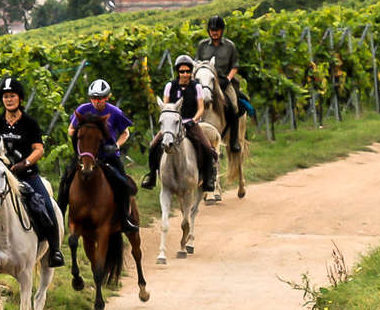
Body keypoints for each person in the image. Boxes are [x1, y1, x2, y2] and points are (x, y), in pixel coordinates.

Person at [0, 75, 65, 267]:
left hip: (26, 175)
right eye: (6, 96)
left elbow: (39, 149)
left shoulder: (29, 123)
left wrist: (24, 163)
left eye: (12, 96)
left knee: (46, 207)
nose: (9, 99)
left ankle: (55, 250)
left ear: (20, 98)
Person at [59, 79, 140, 233]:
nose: (96, 102)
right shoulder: (82, 109)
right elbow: (71, 129)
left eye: (100, 98)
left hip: (108, 155)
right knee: (65, 180)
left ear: (107, 97)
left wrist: (116, 145)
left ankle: (124, 219)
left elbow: (125, 132)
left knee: (122, 183)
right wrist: (79, 137)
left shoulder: (114, 112)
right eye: (94, 98)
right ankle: (60, 218)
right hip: (86, 155)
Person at [139, 55, 218, 194]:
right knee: (153, 146)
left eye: (188, 71)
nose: (185, 74)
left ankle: (208, 179)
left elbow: (201, 108)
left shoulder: (197, 87)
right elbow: (166, 107)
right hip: (171, 125)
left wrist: (193, 121)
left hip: (190, 124)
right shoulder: (170, 86)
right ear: (178, 72)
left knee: (207, 147)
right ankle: (152, 176)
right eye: (182, 71)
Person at [195, 15, 244, 154]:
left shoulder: (230, 46)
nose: (214, 32)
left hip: (224, 81)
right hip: (206, 80)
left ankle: (234, 141)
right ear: (208, 31)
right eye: (212, 30)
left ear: (222, 31)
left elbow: (235, 66)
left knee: (234, 106)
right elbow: (197, 63)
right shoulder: (202, 45)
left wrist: (228, 79)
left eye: (217, 30)